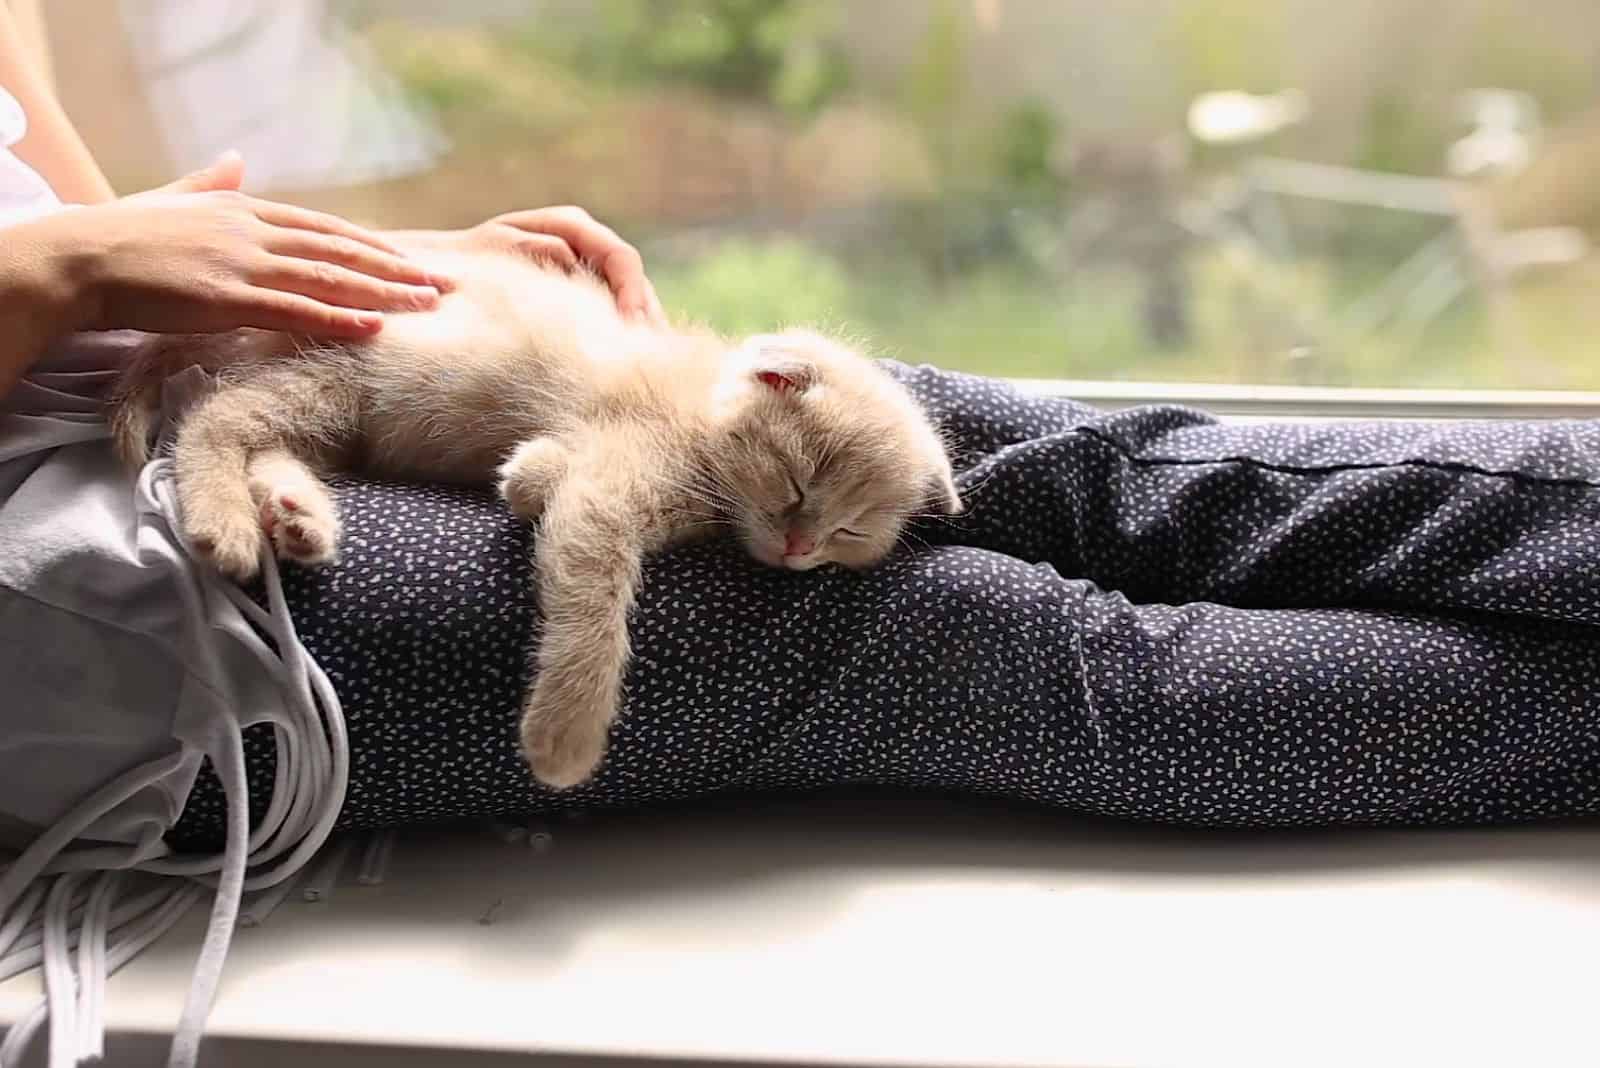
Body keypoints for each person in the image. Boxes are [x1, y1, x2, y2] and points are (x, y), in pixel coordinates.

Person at [3, 6, 1598, 1065]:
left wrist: (333, 270)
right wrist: (64, 275)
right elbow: (62, 258)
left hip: (188, 381)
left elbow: (94, 222)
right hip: (86, 568)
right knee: (982, 647)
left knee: (1050, 458)